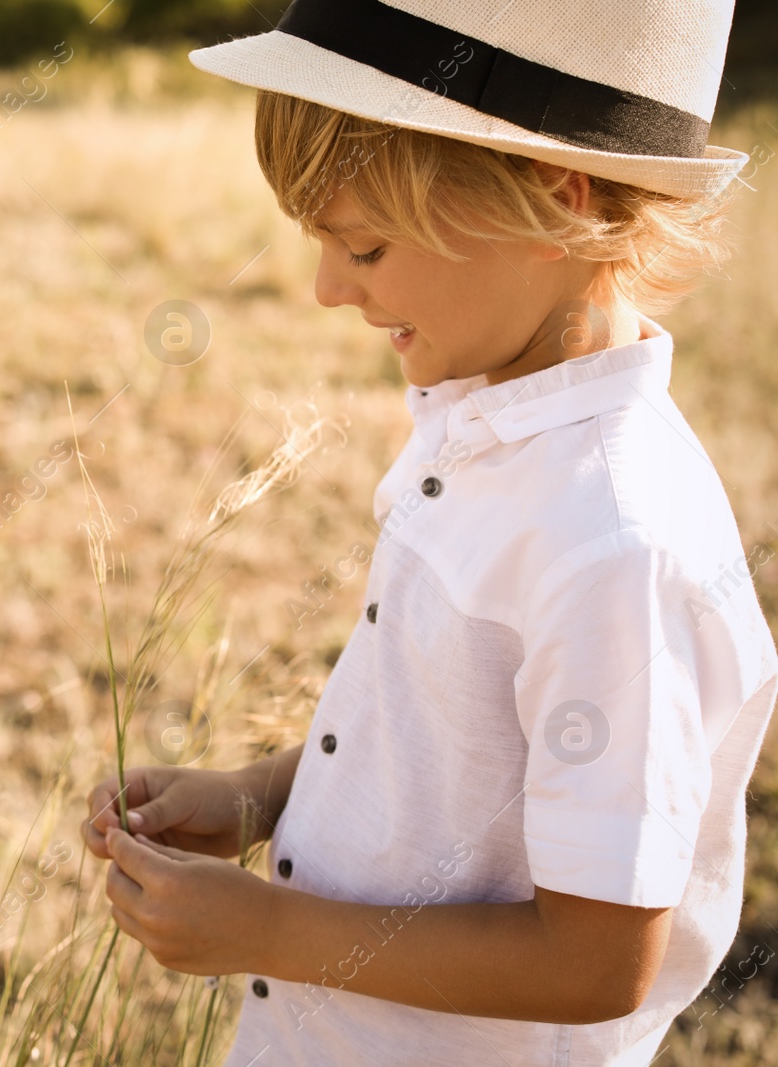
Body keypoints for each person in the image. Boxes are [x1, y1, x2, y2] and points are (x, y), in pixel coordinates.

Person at [80, 1, 778, 1063]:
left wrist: (267, 928)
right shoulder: (489, 417)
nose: (324, 287)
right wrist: (256, 796)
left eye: (362, 243)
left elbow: (595, 960)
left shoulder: (613, 545)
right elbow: (437, 739)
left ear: (555, 197)